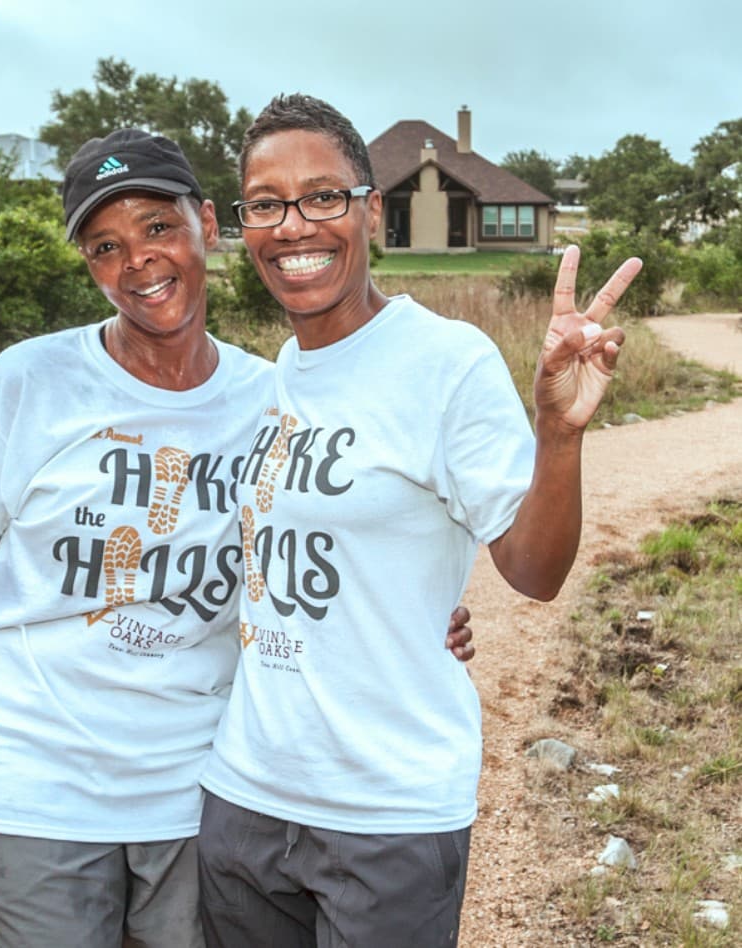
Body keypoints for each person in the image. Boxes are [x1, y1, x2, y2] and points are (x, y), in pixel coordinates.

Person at [0, 127, 476, 948]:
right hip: (23, 785)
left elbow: (330, 548)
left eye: (158, 228)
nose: (139, 263)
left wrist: (418, 613)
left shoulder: (275, 397)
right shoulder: (27, 384)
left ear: (207, 224)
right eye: (105, 246)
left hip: (196, 794)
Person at [197, 94, 643, 948]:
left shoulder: (445, 362)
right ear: (242, 225)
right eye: (267, 203)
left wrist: (557, 433)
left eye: (323, 196)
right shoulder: (263, 384)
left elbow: (534, 570)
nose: (294, 226)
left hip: (387, 812)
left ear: (371, 211)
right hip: (246, 798)